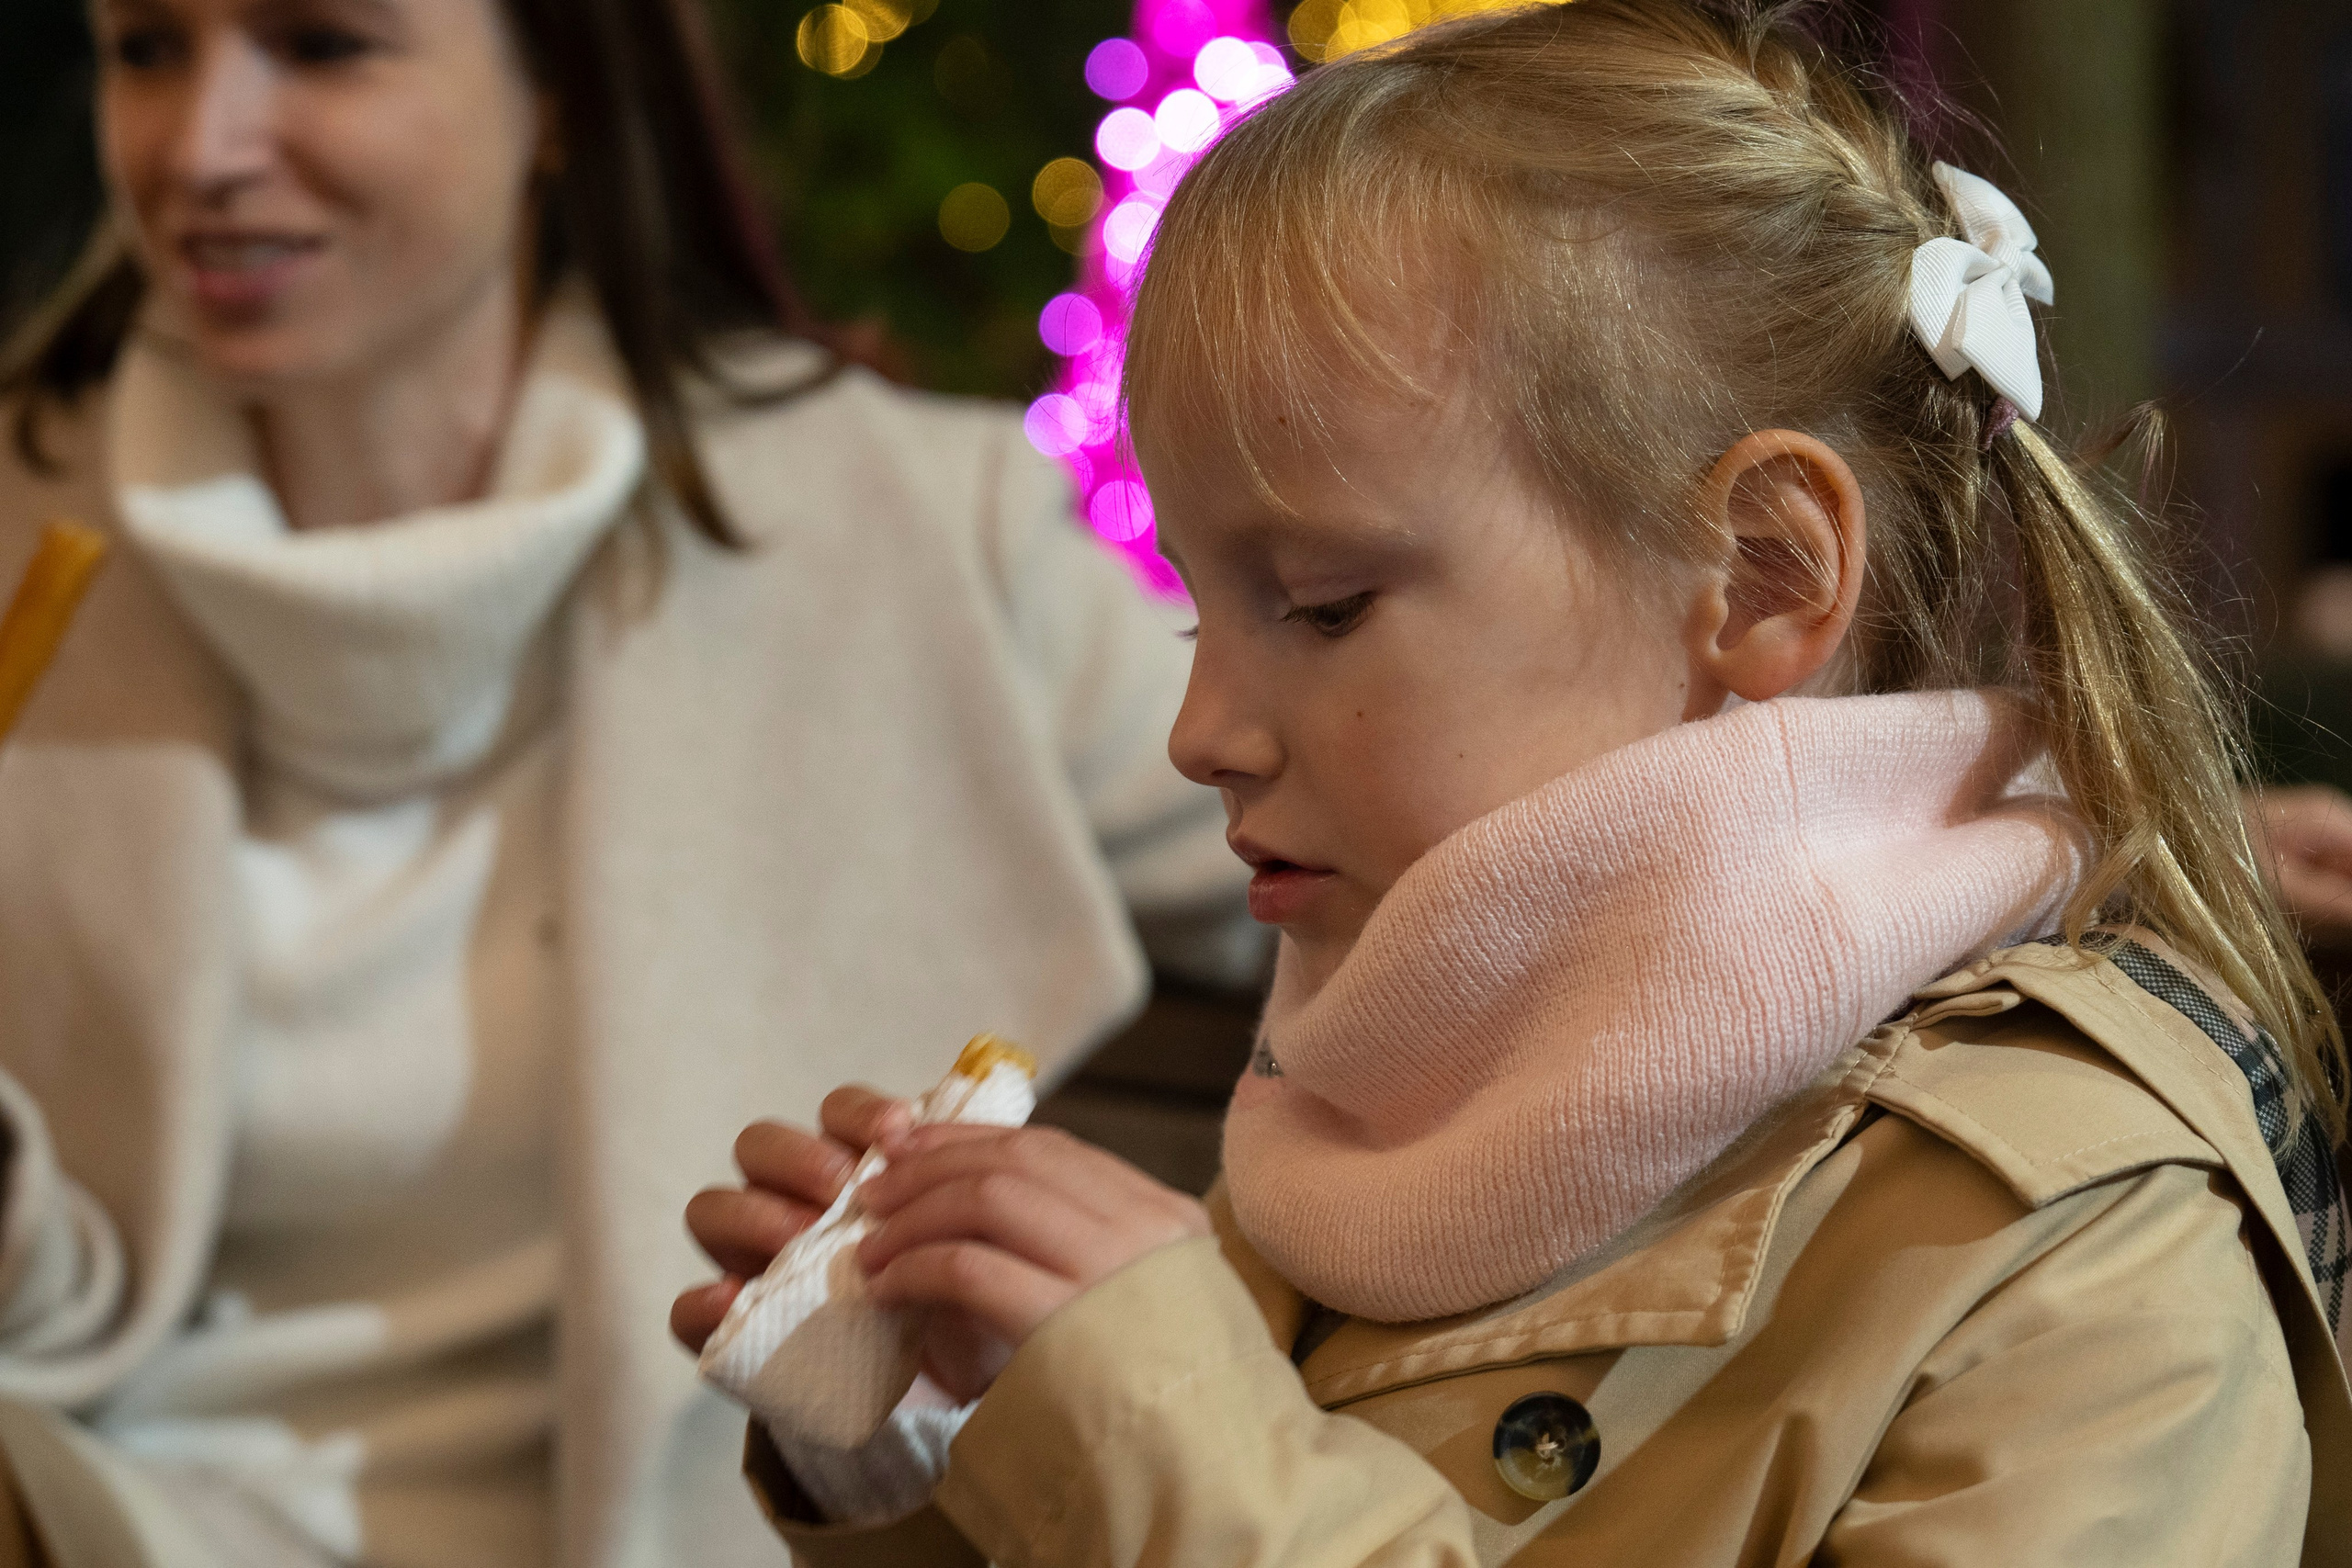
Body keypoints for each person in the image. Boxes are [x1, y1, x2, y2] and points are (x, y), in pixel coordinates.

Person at [675, 3, 2352, 1561]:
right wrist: (945, 1426)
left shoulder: (2073, 1239)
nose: (1201, 734)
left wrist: (1162, 1424)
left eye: (1326, 607)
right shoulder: (1390, 1111)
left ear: (1763, 576)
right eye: (1198, 606)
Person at [0, 0, 1252, 1564]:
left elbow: (1383, 845)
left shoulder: (910, 532)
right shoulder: (24, 548)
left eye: (323, 45)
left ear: (561, 98)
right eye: (142, 50)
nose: (201, 146)